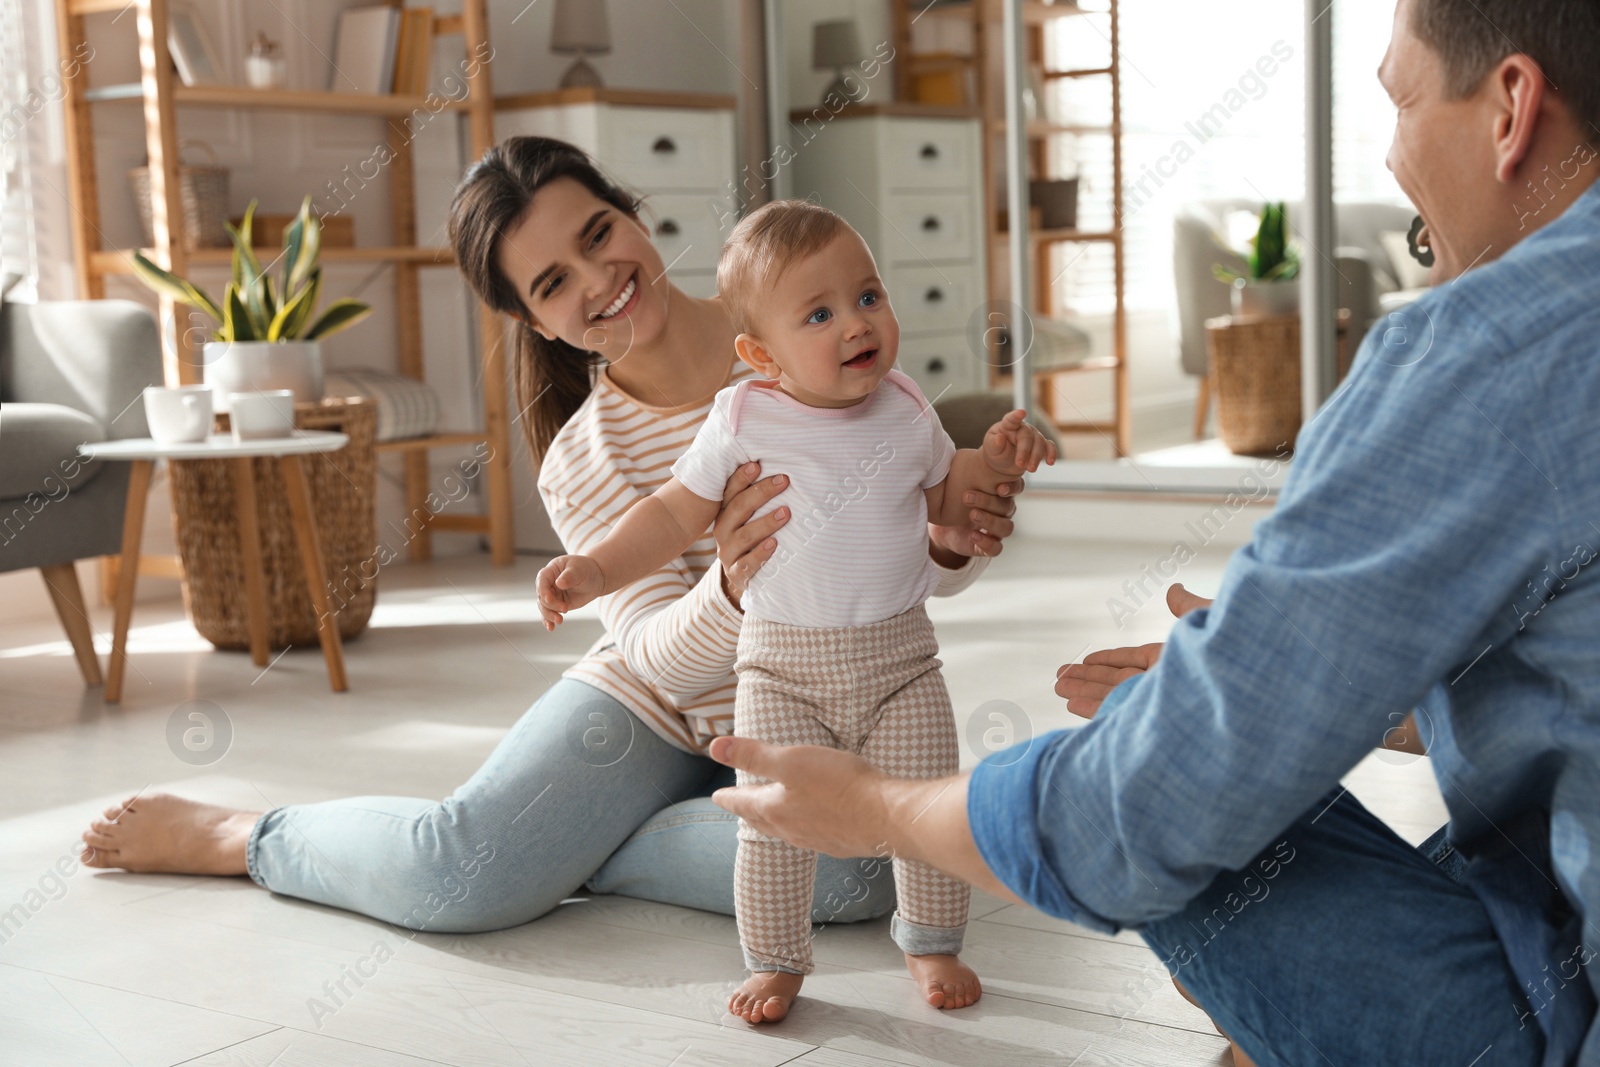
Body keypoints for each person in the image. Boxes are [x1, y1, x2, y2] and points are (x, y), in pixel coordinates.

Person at [707, 1, 1600, 1064]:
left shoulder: (1487, 349)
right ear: (755, 354)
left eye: (1399, 101)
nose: (1392, 147)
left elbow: (1146, 808)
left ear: (1511, 108)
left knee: (1152, 759)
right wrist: (1330, 668)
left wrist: (878, 811)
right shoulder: (732, 433)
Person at [76, 137, 1027, 939]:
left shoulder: (806, 321)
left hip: (822, 693)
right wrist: (734, 587)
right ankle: (244, 834)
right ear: (534, 320)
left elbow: (900, 567)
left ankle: (582, 849)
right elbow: (652, 650)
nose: (599, 279)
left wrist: (950, 540)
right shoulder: (583, 456)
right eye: (553, 283)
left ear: (633, 214)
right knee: (459, 872)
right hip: (660, 706)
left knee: (864, 877)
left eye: (599, 233)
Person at [535, 199, 1056, 1023]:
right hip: (780, 670)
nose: (856, 324)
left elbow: (948, 496)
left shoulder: (907, 407)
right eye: (819, 313)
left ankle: (930, 939)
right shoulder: (742, 417)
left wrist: (991, 462)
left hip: (901, 661)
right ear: (761, 356)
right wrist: (595, 567)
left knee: (924, 803)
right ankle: (777, 961)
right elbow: (673, 516)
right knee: (776, 828)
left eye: (868, 296)